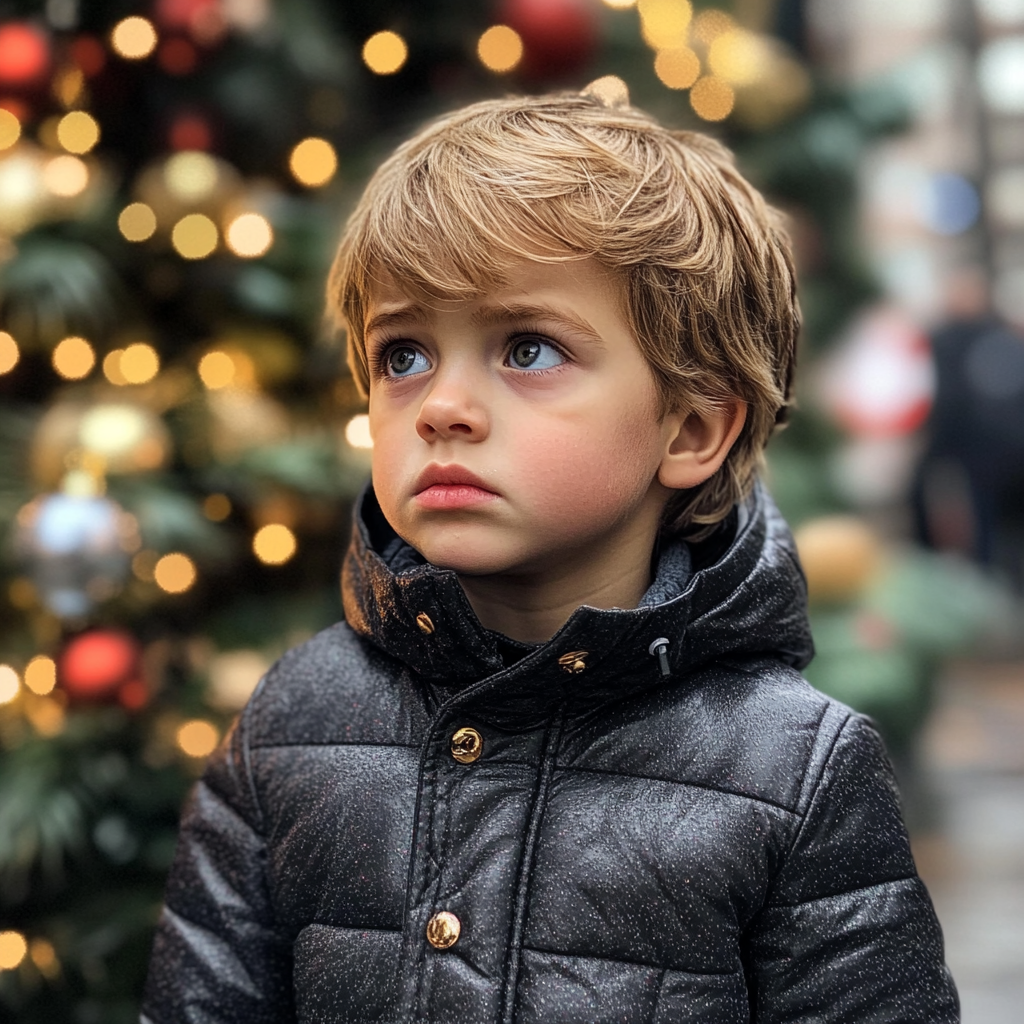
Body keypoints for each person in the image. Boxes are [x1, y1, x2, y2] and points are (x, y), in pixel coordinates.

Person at [141, 84, 958, 1023]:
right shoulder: (294, 721)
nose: (442, 406)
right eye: (403, 355)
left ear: (690, 428)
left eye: (527, 349)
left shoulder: (794, 772)